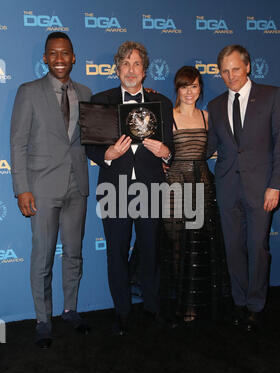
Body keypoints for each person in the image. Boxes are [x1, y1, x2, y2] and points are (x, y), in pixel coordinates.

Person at [85, 41, 173, 335]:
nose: (131, 70)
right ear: (117, 69)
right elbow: (91, 146)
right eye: (125, 64)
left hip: (150, 189)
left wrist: (165, 152)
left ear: (145, 71)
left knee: (150, 252)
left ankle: (152, 307)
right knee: (116, 253)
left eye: (136, 64)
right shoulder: (102, 100)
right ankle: (122, 312)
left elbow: (171, 149)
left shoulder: (161, 103)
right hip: (114, 190)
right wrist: (106, 156)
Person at [10, 32, 92, 348]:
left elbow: (91, 138)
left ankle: (71, 310)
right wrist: (21, 189)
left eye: (65, 53)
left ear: (74, 57)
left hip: (76, 186)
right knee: (42, 257)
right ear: (45, 58)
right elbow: (17, 143)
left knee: (73, 253)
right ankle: (43, 320)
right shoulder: (28, 92)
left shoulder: (85, 92)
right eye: (53, 53)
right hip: (42, 188)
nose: (59, 59)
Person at [207, 45, 280, 332]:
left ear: (248, 67)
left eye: (235, 69)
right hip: (227, 187)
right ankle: (239, 301)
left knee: (257, 248)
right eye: (225, 71)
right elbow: (207, 146)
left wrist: (275, 186)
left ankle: (255, 305)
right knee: (232, 249)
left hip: (261, 189)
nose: (231, 76)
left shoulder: (272, 96)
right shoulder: (215, 106)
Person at [160, 66, 229, 323]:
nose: (190, 92)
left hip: (201, 185)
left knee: (197, 248)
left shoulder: (207, 117)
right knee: (177, 246)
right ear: (177, 89)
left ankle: (193, 303)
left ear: (200, 88)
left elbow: (217, 148)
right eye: (185, 86)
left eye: (195, 86)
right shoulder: (168, 116)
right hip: (174, 186)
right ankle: (177, 304)